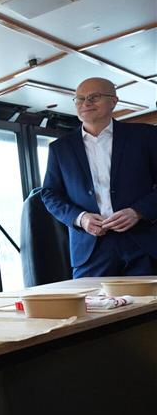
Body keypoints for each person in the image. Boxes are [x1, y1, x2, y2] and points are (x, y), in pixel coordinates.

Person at [41, 77, 157, 278]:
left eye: (94, 97)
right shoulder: (59, 149)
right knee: (91, 308)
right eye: (79, 99)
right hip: (90, 249)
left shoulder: (146, 136)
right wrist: (81, 218)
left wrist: (138, 211)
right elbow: (50, 194)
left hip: (143, 243)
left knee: (148, 308)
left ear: (114, 101)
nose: (86, 103)